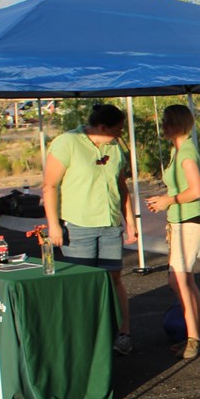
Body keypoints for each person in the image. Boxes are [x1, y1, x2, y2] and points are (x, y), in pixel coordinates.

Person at [42, 103, 137, 355]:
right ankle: (83, 336)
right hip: (79, 225)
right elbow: (50, 185)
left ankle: (122, 332)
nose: (120, 134)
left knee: (114, 278)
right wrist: (54, 225)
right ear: (102, 127)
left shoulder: (115, 147)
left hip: (109, 224)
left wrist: (130, 222)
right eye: (116, 130)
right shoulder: (67, 142)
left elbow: (122, 187)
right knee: (82, 283)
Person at [145, 105, 200, 360]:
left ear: (180, 124)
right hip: (180, 220)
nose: (165, 126)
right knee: (184, 280)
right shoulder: (178, 150)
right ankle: (198, 333)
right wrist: (165, 202)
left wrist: (167, 200)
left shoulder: (186, 153)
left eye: (170, 122)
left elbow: (196, 190)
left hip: (189, 220)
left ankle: (194, 337)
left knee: (179, 280)